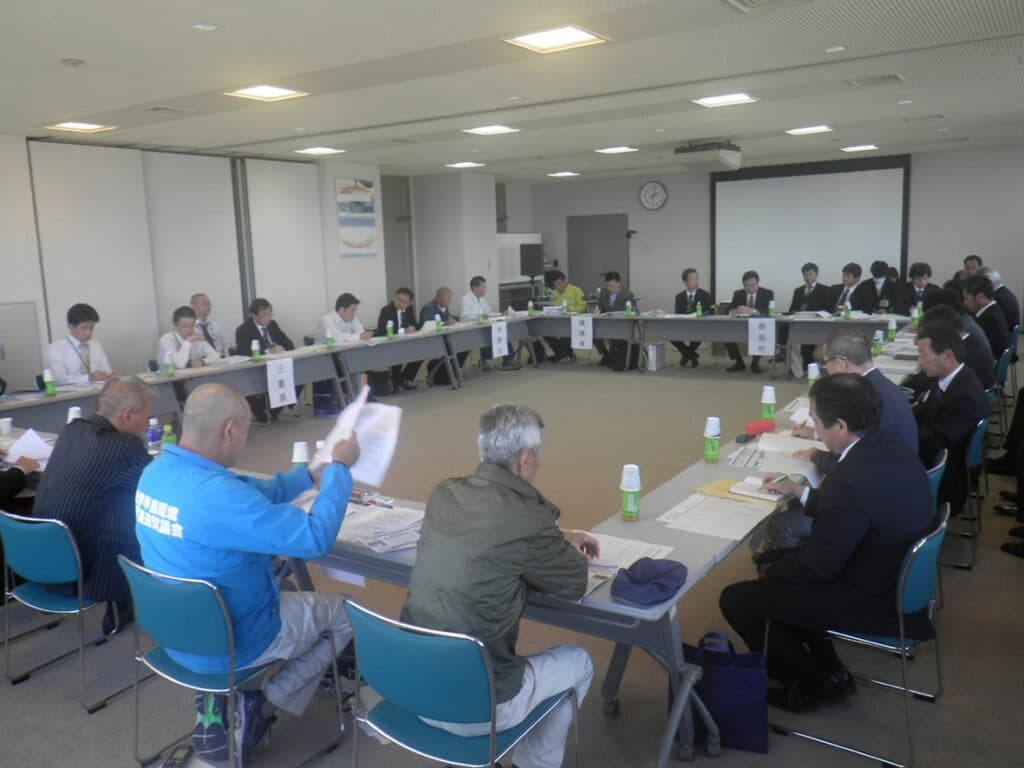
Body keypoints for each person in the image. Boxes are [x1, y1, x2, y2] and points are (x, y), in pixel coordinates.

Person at [135, 383, 359, 765]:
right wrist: (339, 471)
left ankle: (222, 695)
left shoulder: (155, 473)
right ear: (229, 429)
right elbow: (314, 538)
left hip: (176, 633)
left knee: (284, 583)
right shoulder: (218, 496)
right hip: (236, 641)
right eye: (246, 432)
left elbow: (249, 493)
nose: (245, 441)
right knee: (346, 613)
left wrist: (311, 474)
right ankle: (266, 699)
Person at [720, 374, 933, 713]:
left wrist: (773, 568)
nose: (815, 430)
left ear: (841, 426)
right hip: (892, 571)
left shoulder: (849, 478)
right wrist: (800, 492)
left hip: (869, 595)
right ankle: (820, 658)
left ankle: (813, 683)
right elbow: (858, 511)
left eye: (817, 421)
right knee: (773, 564)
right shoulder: (888, 447)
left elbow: (820, 566)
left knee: (737, 598)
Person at [402, 403, 598, 768]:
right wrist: (557, 544)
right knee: (579, 663)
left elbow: (491, 534)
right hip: (479, 706)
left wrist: (554, 538)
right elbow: (574, 581)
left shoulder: (444, 493)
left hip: (415, 688)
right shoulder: (528, 516)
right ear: (524, 460)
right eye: (537, 458)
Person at [33, 377, 155, 635]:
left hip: (44, 558)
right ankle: (134, 600)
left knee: (116, 496)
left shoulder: (72, 429)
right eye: (147, 418)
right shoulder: (124, 446)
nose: (147, 425)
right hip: (86, 568)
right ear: (127, 415)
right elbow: (157, 483)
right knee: (148, 514)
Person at [793, 328, 918, 461]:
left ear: (841, 364)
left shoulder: (867, 398)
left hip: (885, 469)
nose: (827, 369)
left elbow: (855, 461)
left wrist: (816, 455)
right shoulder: (879, 385)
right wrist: (819, 434)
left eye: (826, 362)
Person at [912, 323, 990, 515]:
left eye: (923, 354)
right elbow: (923, 410)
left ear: (947, 355)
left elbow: (938, 442)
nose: (920, 361)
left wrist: (900, 428)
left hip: (945, 482)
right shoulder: (948, 379)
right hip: (937, 459)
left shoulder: (964, 395)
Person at [235, 298, 297, 422]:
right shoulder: (243, 330)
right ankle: (264, 411)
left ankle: (275, 409)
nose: (268, 318)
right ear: (254, 315)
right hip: (257, 369)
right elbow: (244, 351)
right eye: (264, 316)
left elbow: (289, 344)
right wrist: (268, 351)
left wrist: (282, 347)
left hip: (279, 366)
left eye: (270, 315)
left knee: (299, 373)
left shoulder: (273, 325)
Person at [47, 303, 117, 386]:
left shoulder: (96, 345)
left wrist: (112, 376)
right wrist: (88, 378)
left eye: (91, 328)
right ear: (70, 327)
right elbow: (58, 379)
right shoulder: (56, 348)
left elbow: (106, 371)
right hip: (71, 393)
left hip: (97, 390)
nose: (89, 333)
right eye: (84, 328)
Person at [786, 262, 832, 371]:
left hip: (818, 325)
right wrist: (794, 313)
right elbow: (792, 309)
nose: (807, 277)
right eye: (805, 275)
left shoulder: (825, 290)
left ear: (816, 274)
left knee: (810, 343)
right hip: (800, 324)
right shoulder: (798, 291)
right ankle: (804, 365)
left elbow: (828, 310)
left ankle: (810, 365)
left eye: (810, 274)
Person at [725, 270, 773, 373]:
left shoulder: (768, 293)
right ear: (743, 285)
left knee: (763, 333)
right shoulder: (738, 293)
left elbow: (769, 311)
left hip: (759, 325)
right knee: (726, 334)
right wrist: (733, 310)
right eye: (747, 286)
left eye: (753, 285)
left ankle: (755, 363)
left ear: (758, 283)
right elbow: (729, 308)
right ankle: (739, 362)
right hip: (741, 325)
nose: (750, 288)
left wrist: (753, 311)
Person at [375, 287, 423, 390]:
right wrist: (403, 331)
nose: (399, 303)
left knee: (421, 352)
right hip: (390, 344)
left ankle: (406, 378)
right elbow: (382, 330)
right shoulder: (386, 310)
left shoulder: (409, 309)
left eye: (403, 301)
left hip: (405, 342)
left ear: (409, 303)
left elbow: (415, 324)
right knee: (398, 354)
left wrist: (414, 328)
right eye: (398, 299)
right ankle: (398, 381)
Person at [962, 275, 1010, 361]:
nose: (965, 303)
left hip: (992, 361)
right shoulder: (994, 309)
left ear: (980, 297)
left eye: (967, 298)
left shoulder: (988, 319)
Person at [673, 268, 713, 368]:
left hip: (699, 325)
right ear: (685, 282)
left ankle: (687, 354)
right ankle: (691, 354)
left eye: (697, 278)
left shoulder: (705, 295)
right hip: (684, 324)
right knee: (670, 333)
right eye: (692, 279)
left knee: (699, 333)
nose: (696, 281)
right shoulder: (679, 297)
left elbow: (710, 311)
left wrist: (698, 314)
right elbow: (678, 314)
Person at [544, 271, 587, 362]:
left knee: (566, 335)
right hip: (557, 322)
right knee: (545, 332)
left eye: (559, 283)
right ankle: (565, 354)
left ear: (565, 281)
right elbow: (551, 307)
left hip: (572, 322)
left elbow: (582, 307)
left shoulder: (576, 291)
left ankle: (560, 355)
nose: (557, 286)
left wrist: (570, 309)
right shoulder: (555, 294)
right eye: (555, 284)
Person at [594, 271, 635, 367]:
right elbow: (599, 306)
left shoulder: (627, 294)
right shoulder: (604, 293)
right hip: (606, 323)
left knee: (617, 343)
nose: (609, 289)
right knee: (593, 333)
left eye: (611, 286)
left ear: (618, 283)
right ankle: (606, 354)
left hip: (621, 324)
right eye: (607, 286)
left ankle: (611, 356)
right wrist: (597, 311)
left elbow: (633, 310)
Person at [980, 267, 1020, 334]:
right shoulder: (1006, 293)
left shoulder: (997, 298)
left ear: (989, 282)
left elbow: (993, 322)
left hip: (1004, 334)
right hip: (1010, 331)